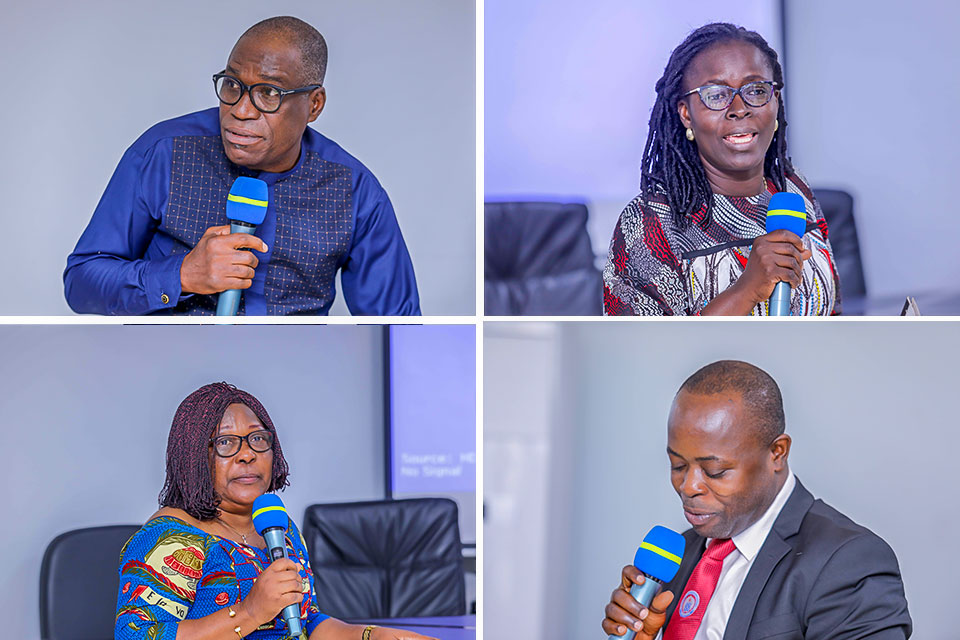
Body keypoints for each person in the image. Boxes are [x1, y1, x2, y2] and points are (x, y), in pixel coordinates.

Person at [65, 16, 420, 316]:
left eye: (269, 93)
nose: (241, 110)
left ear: (314, 105)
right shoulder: (164, 152)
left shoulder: (354, 192)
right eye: (233, 85)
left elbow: (397, 328)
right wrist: (183, 275)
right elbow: (81, 282)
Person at [601, 361, 911, 639]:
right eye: (678, 465)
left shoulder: (848, 561)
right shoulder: (677, 559)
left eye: (715, 471)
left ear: (777, 453)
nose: (688, 486)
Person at [116, 382, 435, 640]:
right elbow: (138, 636)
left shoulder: (279, 528)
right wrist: (250, 612)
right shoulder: (170, 537)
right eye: (227, 443)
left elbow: (306, 623)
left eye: (257, 439)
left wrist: (371, 635)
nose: (247, 455)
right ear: (194, 456)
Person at [603, 23, 840, 316]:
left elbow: (831, 312)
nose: (739, 108)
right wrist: (747, 289)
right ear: (686, 113)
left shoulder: (793, 190)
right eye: (716, 95)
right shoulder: (651, 221)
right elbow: (641, 354)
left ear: (775, 101)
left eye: (755, 90)